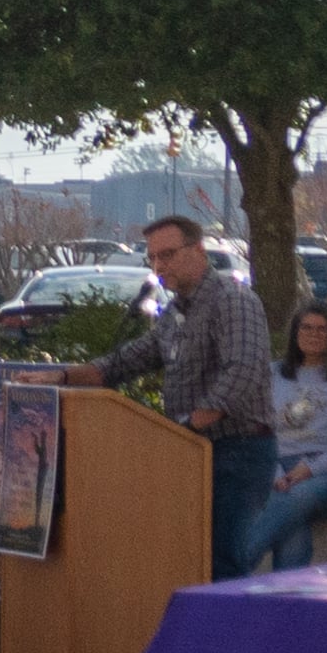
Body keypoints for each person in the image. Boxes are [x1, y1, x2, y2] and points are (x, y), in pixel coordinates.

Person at [61, 215, 274, 586]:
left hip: (237, 452)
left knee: (224, 562)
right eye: (154, 258)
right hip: (190, 451)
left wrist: (188, 427)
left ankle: (230, 644)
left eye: (169, 255)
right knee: (188, 561)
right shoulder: (175, 314)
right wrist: (59, 377)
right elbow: (123, 362)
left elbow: (243, 372)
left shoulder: (234, 300)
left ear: (199, 251)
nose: (160, 266)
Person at [237, 303, 327, 573]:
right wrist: (275, 473)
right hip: (280, 468)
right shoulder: (272, 374)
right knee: (292, 517)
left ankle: (231, 570)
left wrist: (310, 469)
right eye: (306, 327)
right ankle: (290, 603)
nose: (314, 334)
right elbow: (254, 429)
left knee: (295, 496)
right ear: (295, 333)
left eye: (322, 329)